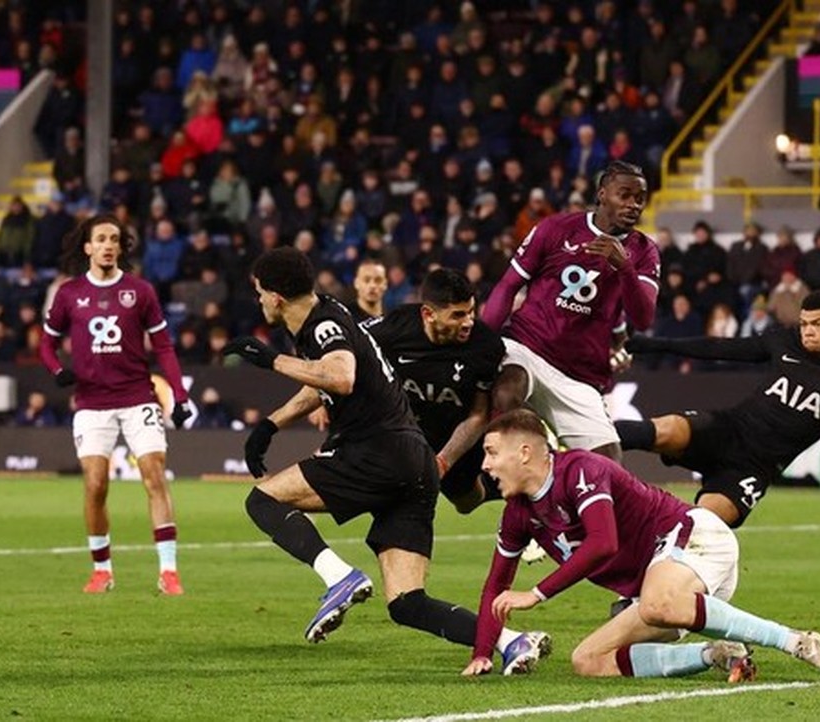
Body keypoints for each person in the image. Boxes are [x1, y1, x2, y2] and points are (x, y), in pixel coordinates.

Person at [222, 248, 548, 667]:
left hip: (374, 452)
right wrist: (271, 425)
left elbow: (339, 376)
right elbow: (326, 377)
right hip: (415, 462)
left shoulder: (322, 326)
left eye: (259, 292)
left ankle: (338, 576)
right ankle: (512, 642)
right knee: (407, 603)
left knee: (262, 499)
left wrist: (271, 360)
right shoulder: (333, 316)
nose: (259, 301)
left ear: (276, 296)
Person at [461, 409, 820, 681]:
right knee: (588, 660)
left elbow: (603, 542)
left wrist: (537, 593)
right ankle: (715, 654)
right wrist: (482, 652)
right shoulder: (517, 513)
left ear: (525, 452)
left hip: (696, 539)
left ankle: (799, 642)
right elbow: (495, 587)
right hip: (664, 588)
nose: (485, 465)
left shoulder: (581, 470)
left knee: (656, 602)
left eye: (492, 452)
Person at [618, 290, 820, 528]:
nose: (808, 331)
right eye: (803, 324)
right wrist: (654, 344)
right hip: (727, 431)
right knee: (665, 429)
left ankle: (641, 592)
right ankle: (575, 446)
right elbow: (722, 348)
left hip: (754, 467)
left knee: (703, 526)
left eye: (817, 324)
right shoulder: (785, 343)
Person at [39, 214, 193, 595]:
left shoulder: (140, 291)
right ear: (88, 247)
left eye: (115, 239)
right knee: (95, 484)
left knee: (154, 475)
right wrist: (57, 368)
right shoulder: (69, 293)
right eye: (101, 239)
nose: (108, 245)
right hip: (91, 403)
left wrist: (179, 394)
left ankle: (169, 572)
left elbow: (163, 347)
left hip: (137, 396)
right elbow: (46, 343)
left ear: (121, 248)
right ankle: (102, 571)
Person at [481, 161, 659, 460]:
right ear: (602, 194)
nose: (633, 205)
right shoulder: (556, 228)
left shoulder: (644, 251)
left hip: (580, 375)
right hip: (528, 348)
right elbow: (507, 286)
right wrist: (483, 344)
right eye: (624, 195)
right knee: (506, 391)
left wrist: (624, 268)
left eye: (639, 198)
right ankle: (517, 478)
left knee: (607, 464)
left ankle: (550, 475)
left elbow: (642, 319)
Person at [360, 269, 504, 513]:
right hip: (407, 431)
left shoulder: (486, 346)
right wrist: (321, 399)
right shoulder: (395, 326)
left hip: (456, 433)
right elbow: (344, 346)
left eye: (470, 311)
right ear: (428, 314)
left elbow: (479, 415)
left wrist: (442, 462)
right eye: (458, 315)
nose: (468, 322)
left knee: (467, 502)